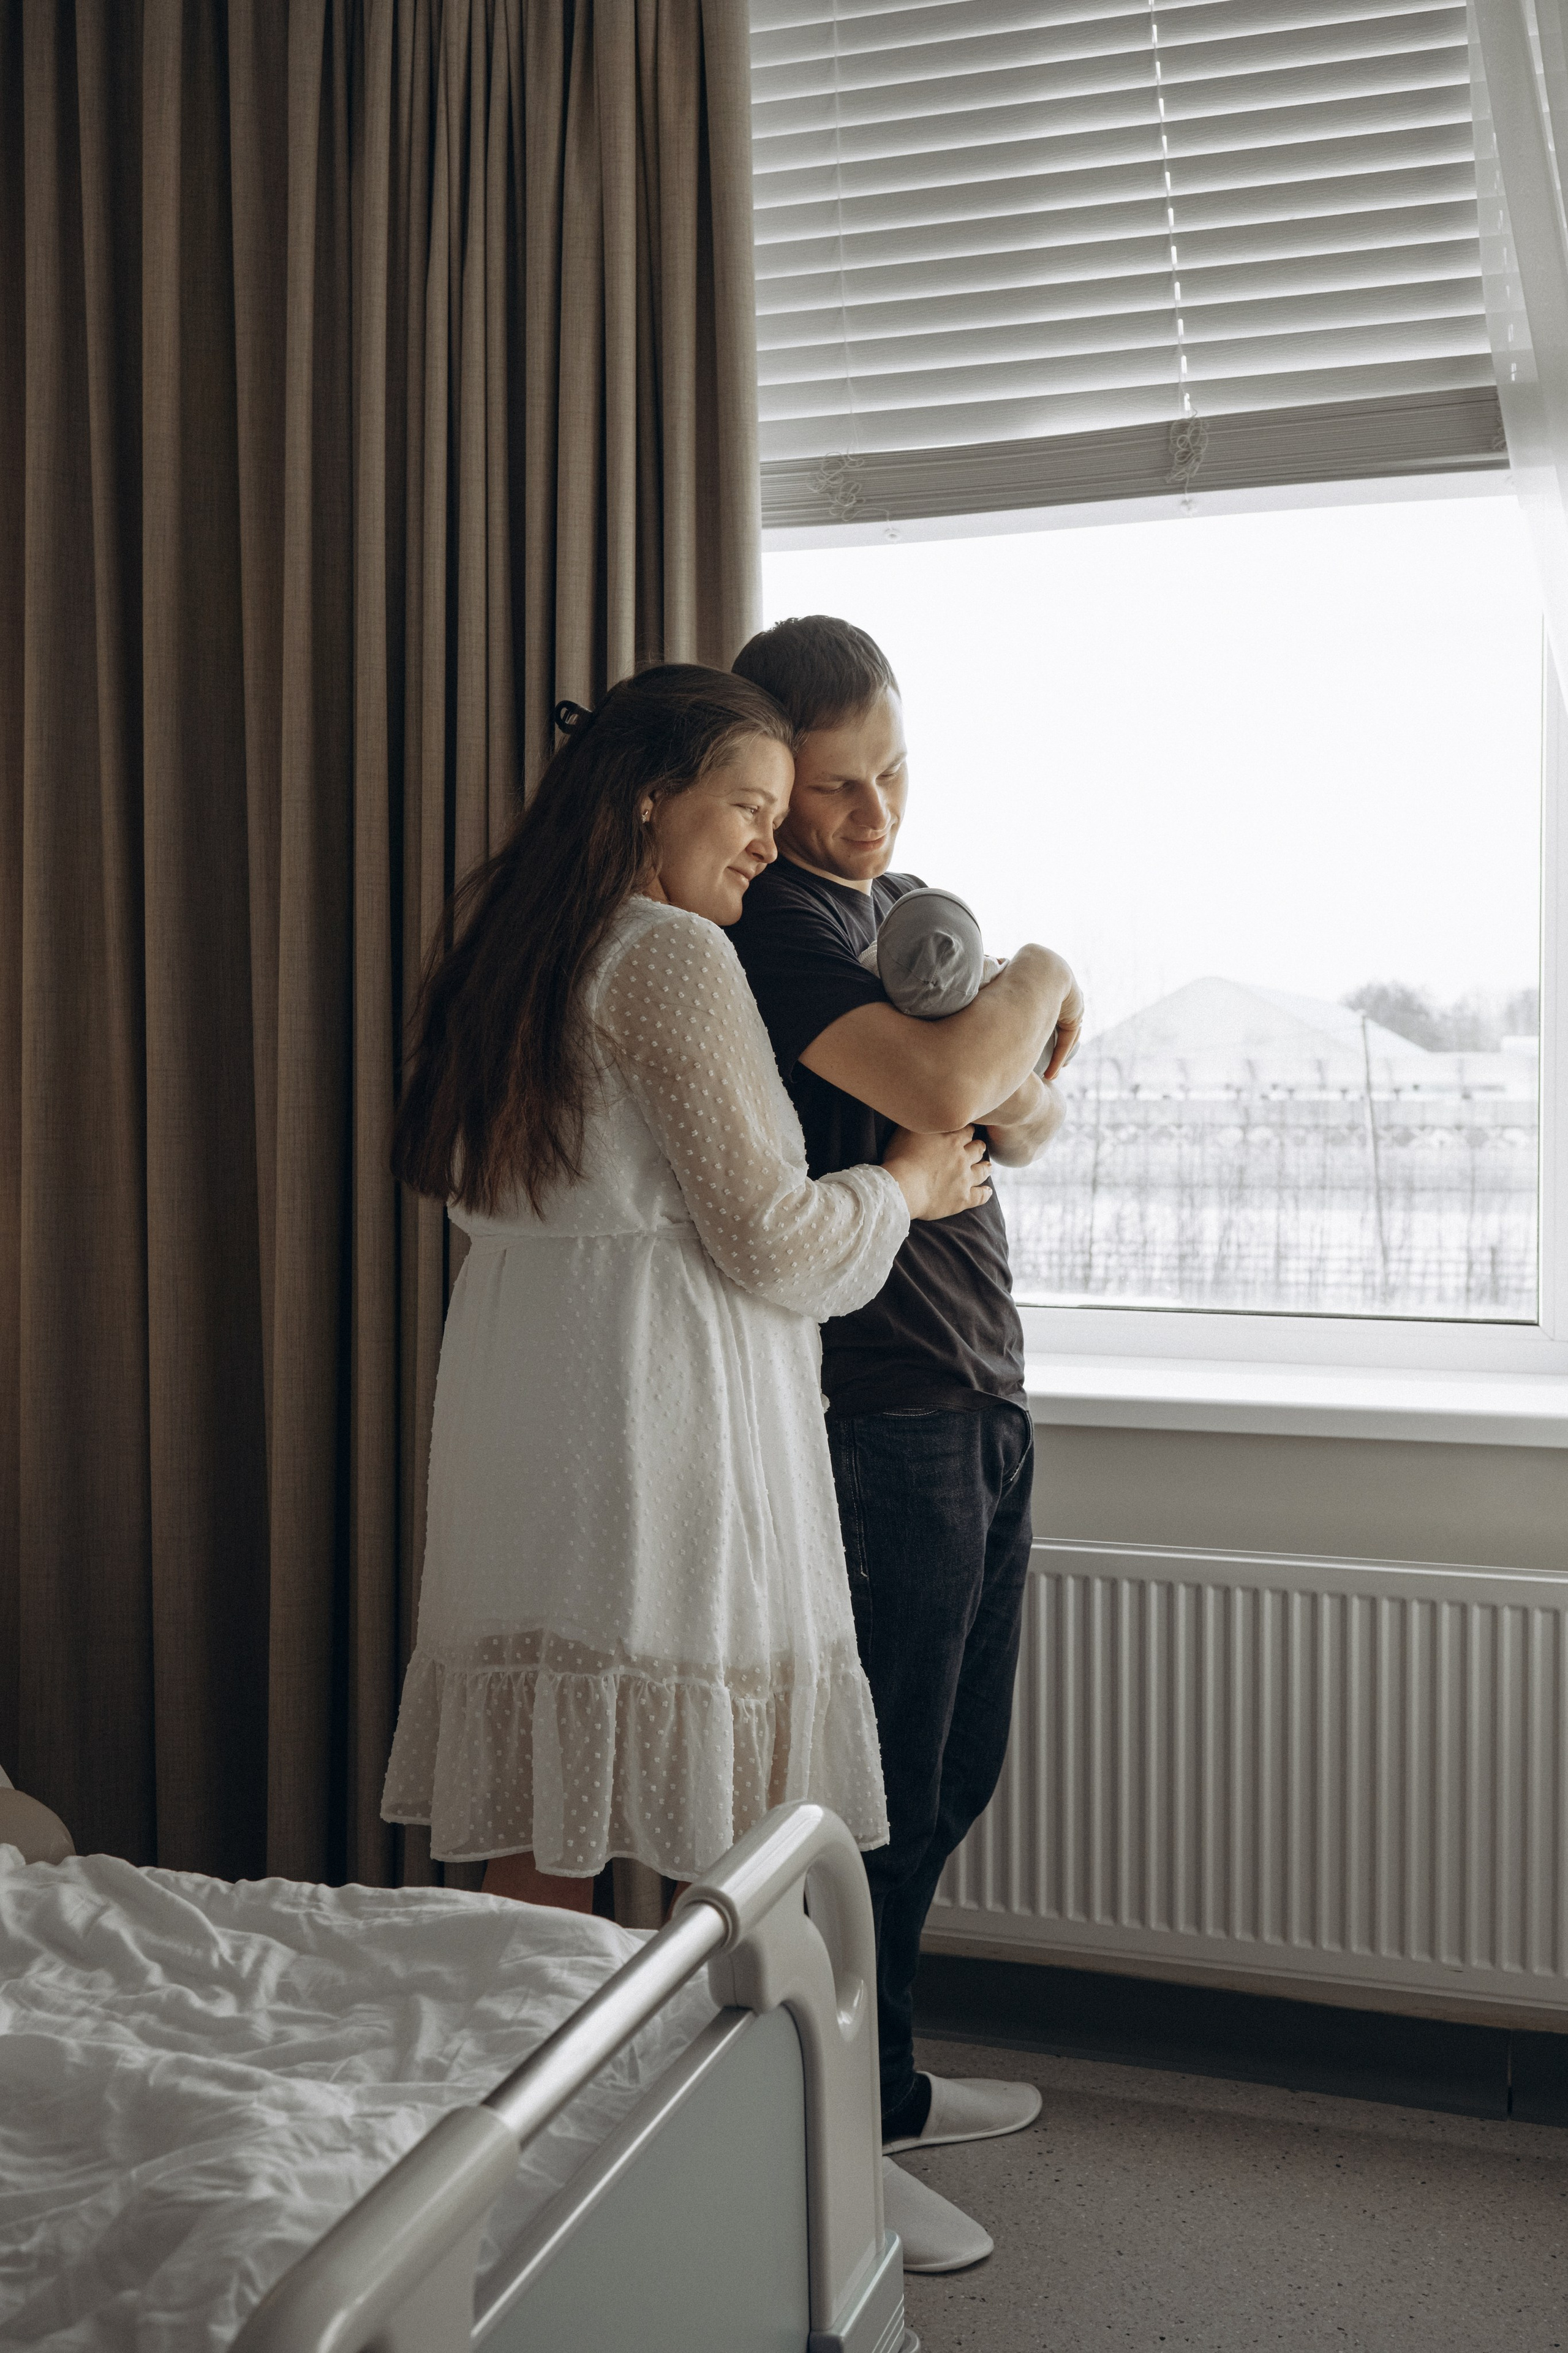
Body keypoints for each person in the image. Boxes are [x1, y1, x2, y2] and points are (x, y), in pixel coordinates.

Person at [379, 663, 991, 1911]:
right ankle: (714, 2100)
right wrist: (906, 1187)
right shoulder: (668, 954)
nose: (771, 844)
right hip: (652, 1408)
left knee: (550, 1815)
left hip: (527, 1399)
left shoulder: (512, 950)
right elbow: (768, 1236)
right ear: (652, 799)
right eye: (750, 807)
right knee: (706, 1808)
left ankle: (524, 2086)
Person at [729, 616, 1082, 2272]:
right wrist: (1044, 980)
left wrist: (1003, 1058)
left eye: (895, 773)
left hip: (976, 1393)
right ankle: (836, 2143)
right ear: (773, 782)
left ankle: (893, 2079)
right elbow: (963, 1074)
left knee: (949, 1774)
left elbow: (1025, 1117)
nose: (877, 816)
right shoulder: (789, 935)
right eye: (839, 786)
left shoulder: (885, 913)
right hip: (880, 1411)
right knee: (874, 1797)